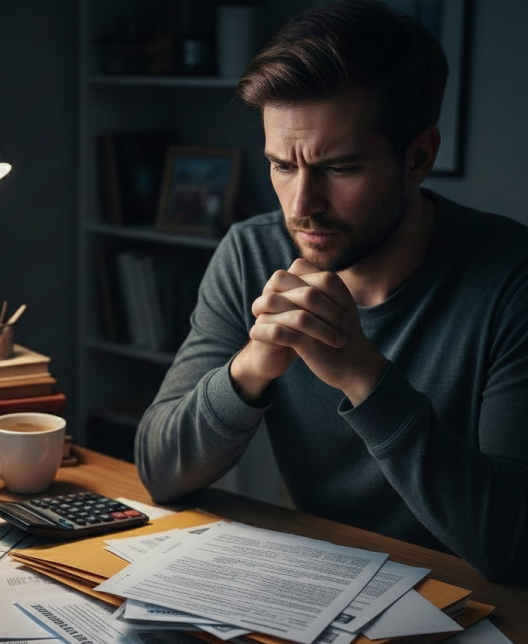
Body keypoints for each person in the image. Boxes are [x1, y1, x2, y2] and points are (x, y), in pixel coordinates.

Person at [134, 0, 528, 585]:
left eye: (339, 169)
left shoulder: (513, 279)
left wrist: (364, 376)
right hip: (317, 586)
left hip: (474, 602)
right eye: (281, 166)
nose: (301, 207)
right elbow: (158, 471)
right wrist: (251, 367)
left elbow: (513, 546)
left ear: (418, 157)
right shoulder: (250, 254)